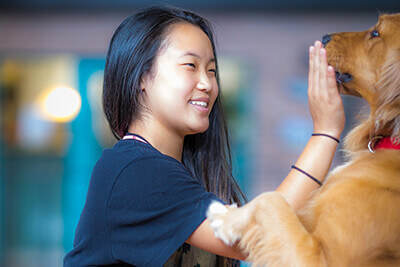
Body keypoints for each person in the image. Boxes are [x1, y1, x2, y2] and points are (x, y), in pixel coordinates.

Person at [63, 5, 344, 267]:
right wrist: (325, 132)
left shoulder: (172, 172)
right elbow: (259, 234)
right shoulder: (138, 170)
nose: (207, 83)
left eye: (211, 70)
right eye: (190, 66)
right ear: (141, 78)